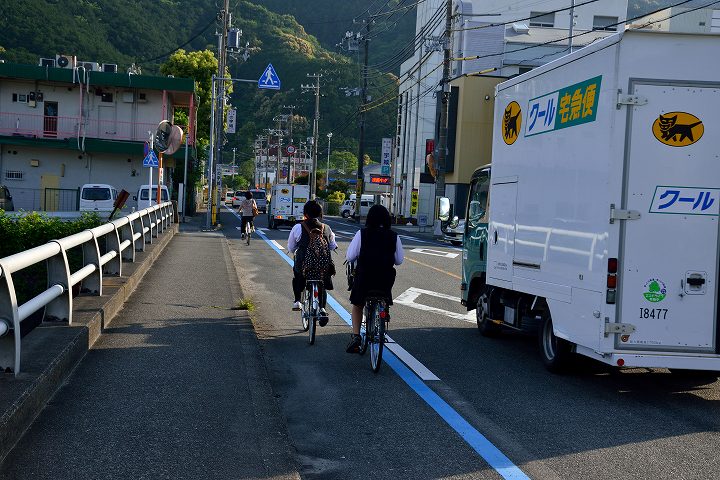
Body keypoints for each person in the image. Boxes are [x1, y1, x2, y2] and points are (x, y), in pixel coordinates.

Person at [344, 204, 404, 353]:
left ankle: (356, 337)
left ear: (369, 218)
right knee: (382, 296)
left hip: (365, 277)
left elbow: (350, 256)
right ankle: (383, 311)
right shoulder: (393, 236)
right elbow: (399, 260)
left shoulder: (362, 234)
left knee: (358, 305)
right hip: (384, 279)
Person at [287, 200, 337, 326]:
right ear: (320, 213)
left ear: (305, 213)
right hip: (322, 266)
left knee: (298, 275)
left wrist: (295, 250)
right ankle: (322, 308)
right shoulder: (327, 228)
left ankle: (297, 301)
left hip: (304, 263)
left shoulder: (298, 227)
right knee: (322, 284)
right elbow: (332, 246)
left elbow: (291, 247)